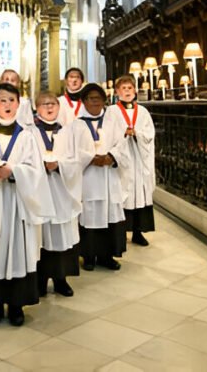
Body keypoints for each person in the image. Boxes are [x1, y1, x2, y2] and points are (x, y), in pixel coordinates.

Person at [0, 82, 53, 327]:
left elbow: (36, 172)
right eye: (2, 100)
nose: (6, 105)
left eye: (11, 100)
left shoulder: (27, 136)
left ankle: (16, 304)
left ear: (19, 104)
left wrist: (13, 172)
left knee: (17, 249)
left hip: (17, 204)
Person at [69, 82, 129, 271]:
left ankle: (107, 255)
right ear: (84, 101)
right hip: (89, 179)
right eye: (91, 99)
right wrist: (91, 158)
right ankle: (88, 256)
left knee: (109, 215)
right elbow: (72, 150)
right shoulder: (76, 125)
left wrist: (111, 157)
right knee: (90, 215)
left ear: (104, 101)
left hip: (109, 176)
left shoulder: (113, 122)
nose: (95, 102)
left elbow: (122, 144)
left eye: (99, 99)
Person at [30, 91, 81, 297]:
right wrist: (40, 166)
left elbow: (76, 161)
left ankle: (61, 279)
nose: (49, 107)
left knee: (60, 234)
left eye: (52, 103)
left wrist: (59, 165)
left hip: (61, 190)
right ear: (36, 107)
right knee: (41, 235)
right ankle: (40, 280)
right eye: (44, 104)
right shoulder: (29, 133)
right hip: (39, 191)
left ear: (58, 108)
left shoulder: (68, 133)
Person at [105, 75, 156, 246]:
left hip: (139, 159)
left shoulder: (143, 111)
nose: (127, 91)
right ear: (117, 91)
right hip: (123, 159)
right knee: (123, 194)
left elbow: (149, 134)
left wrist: (138, 134)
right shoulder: (112, 111)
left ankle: (138, 232)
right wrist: (123, 134)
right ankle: (121, 233)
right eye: (123, 88)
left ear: (135, 91)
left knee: (140, 194)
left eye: (130, 88)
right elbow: (108, 134)